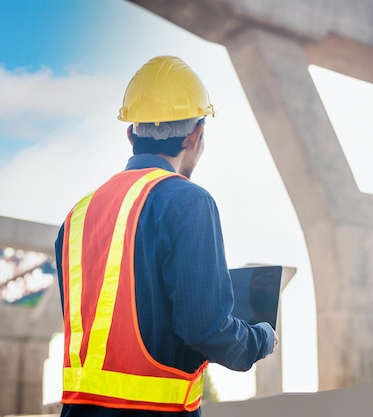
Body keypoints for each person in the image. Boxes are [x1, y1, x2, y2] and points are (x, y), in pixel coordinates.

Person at [55, 56, 278, 417]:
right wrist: (261, 338)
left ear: (130, 133)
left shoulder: (76, 216)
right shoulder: (188, 201)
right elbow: (206, 330)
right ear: (196, 134)